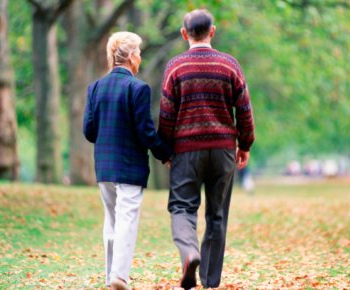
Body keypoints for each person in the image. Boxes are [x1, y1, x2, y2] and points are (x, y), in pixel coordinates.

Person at [158, 9, 255, 289]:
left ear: (184, 33)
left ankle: (189, 252)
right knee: (217, 214)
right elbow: (244, 110)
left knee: (182, 207)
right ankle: (210, 280)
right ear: (212, 32)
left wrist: (165, 151)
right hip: (223, 150)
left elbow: (166, 115)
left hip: (186, 151)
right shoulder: (230, 65)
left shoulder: (175, 67)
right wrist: (245, 144)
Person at [83, 31, 172, 290]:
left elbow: (89, 132)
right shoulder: (138, 88)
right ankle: (119, 277)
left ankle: (111, 274)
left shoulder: (95, 88)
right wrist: (165, 154)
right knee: (126, 221)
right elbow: (146, 132)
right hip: (130, 166)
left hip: (104, 167)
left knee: (111, 221)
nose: (141, 58)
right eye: (140, 53)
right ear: (132, 56)